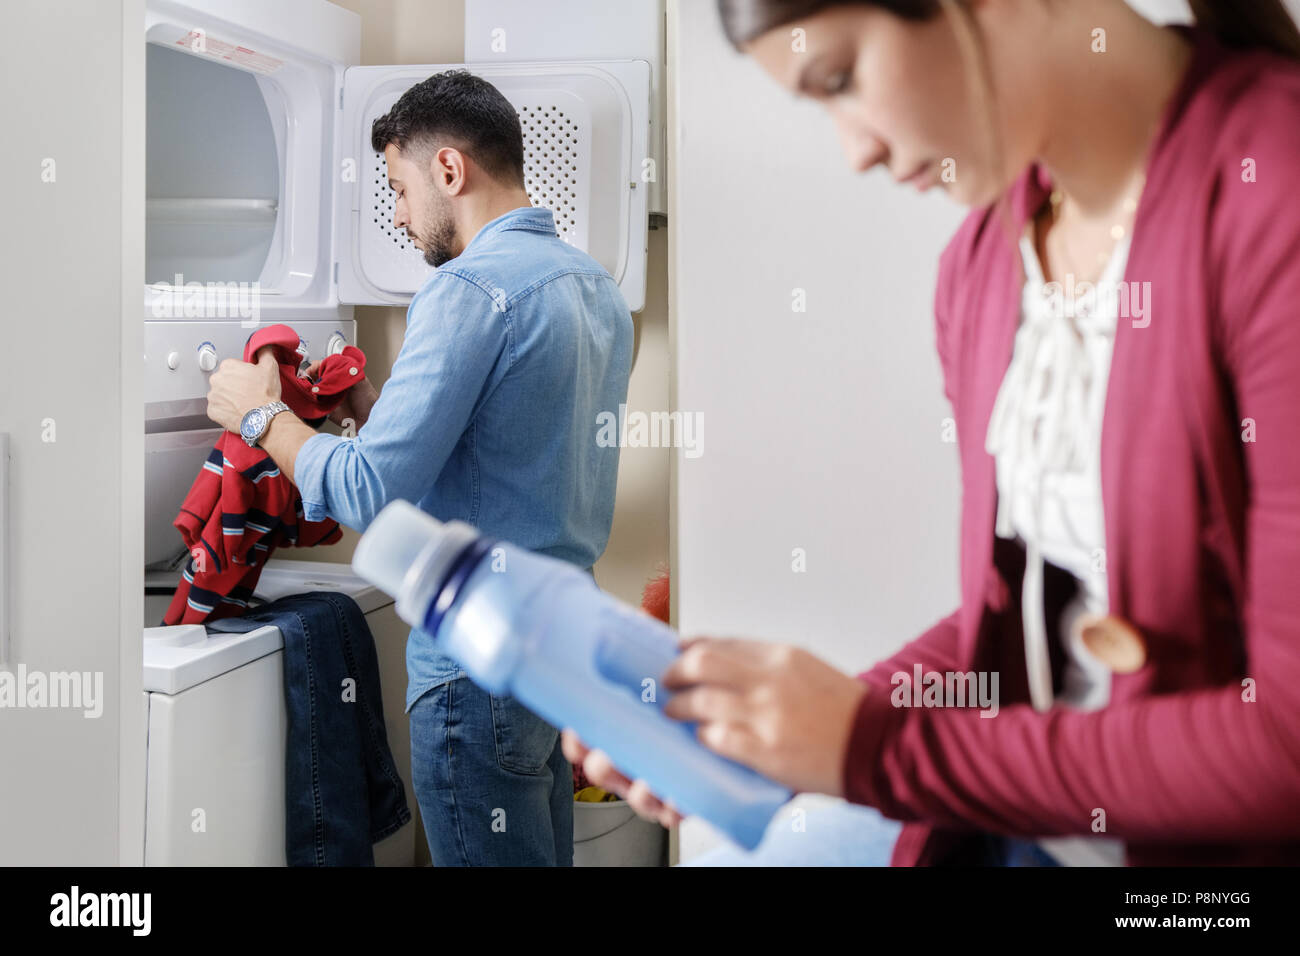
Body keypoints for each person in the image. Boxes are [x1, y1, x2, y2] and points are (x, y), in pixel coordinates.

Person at [565, 0, 1300, 866]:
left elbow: (1284, 745)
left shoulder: (1272, 192)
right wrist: (771, 726)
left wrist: (867, 746)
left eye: (840, 81)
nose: (858, 150)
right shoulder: (983, 268)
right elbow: (1013, 616)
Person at [207, 69, 634, 866]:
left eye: (399, 189)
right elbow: (508, 459)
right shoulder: (594, 289)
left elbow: (369, 490)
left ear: (449, 170)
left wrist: (260, 418)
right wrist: (375, 408)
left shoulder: (468, 288)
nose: (399, 217)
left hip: (473, 668)